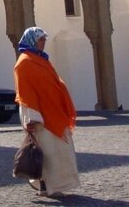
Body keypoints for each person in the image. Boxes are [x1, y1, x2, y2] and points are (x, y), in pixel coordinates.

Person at [13, 27, 80, 198]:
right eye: (40, 40)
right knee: (48, 154)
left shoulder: (41, 60)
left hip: (53, 112)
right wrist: (32, 118)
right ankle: (50, 187)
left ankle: (49, 186)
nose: (43, 43)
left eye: (44, 40)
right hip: (39, 117)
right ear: (32, 41)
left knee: (56, 152)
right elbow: (26, 92)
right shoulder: (25, 63)